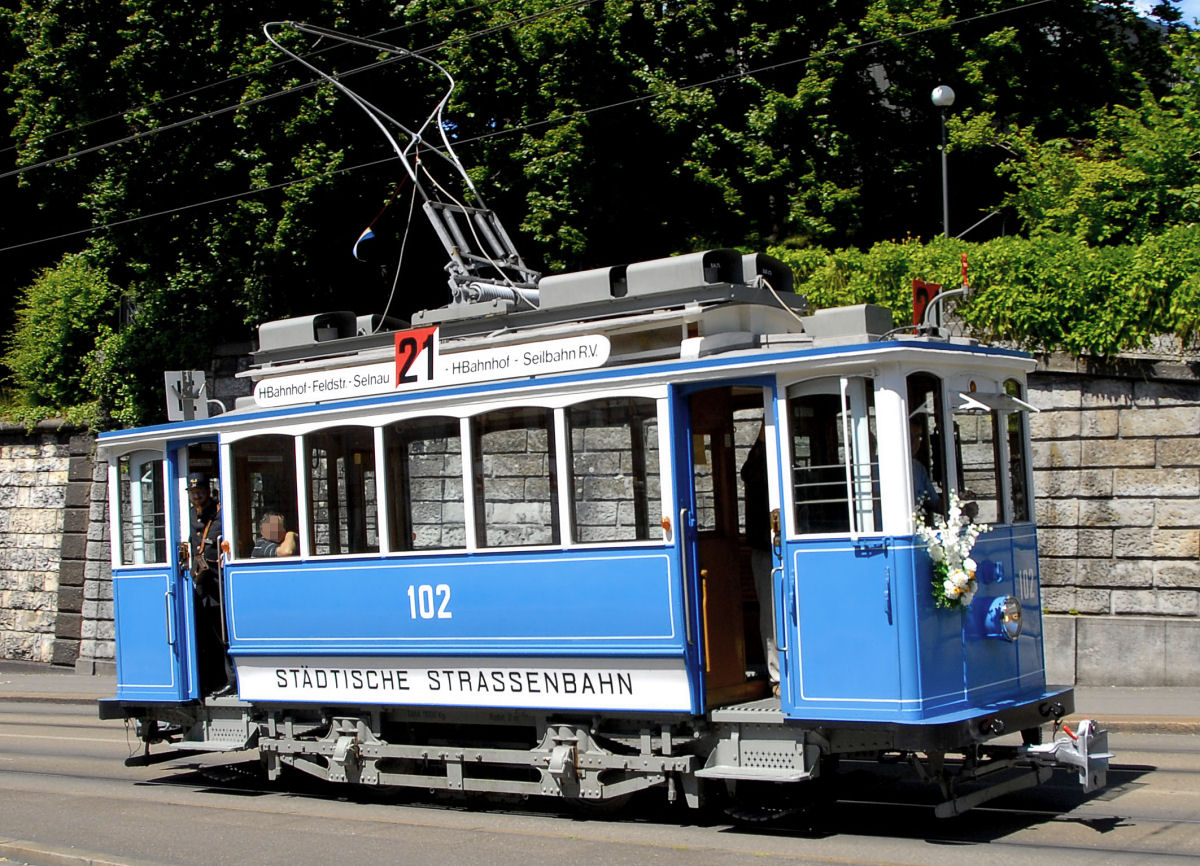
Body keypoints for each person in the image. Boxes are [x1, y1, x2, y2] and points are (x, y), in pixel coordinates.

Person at [188, 472, 236, 697]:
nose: (196, 496)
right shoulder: (191, 516)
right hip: (202, 585)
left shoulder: (219, 515)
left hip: (219, 582)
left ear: (208, 491)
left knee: (223, 632)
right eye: (193, 492)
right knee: (207, 634)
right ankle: (212, 678)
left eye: (200, 491)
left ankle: (231, 678)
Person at [740, 425, 780, 697]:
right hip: (767, 548)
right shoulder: (757, 466)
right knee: (771, 611)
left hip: (779, 546)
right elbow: (749, 473)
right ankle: (776, 674)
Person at [910, 420, 942, 514]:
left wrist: (960, 509)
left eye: (918, 437)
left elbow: (933, 502)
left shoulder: (918, 468)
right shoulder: (879, 467)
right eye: (910, 437)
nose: (914, 442)